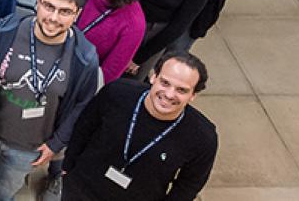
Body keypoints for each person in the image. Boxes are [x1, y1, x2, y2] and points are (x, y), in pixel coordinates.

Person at [0, 0, 101, 201]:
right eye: (49, 6)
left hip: (30, 146)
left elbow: (82, 105)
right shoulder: (4, 30)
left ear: (77, 14)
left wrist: (56, 143)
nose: (53, 18)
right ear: (38, 2)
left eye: (65, 11)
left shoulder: (84, 57)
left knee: (3, 193)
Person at [61, 53, 217, 200]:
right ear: (153, 77)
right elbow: (84, 128)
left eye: (181, 90)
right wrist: (67, 166)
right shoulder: (116, 93)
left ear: (193, 95)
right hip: (81, 190)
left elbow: (189, 185)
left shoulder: (202, 137)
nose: (169, 94)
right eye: (165, 83)